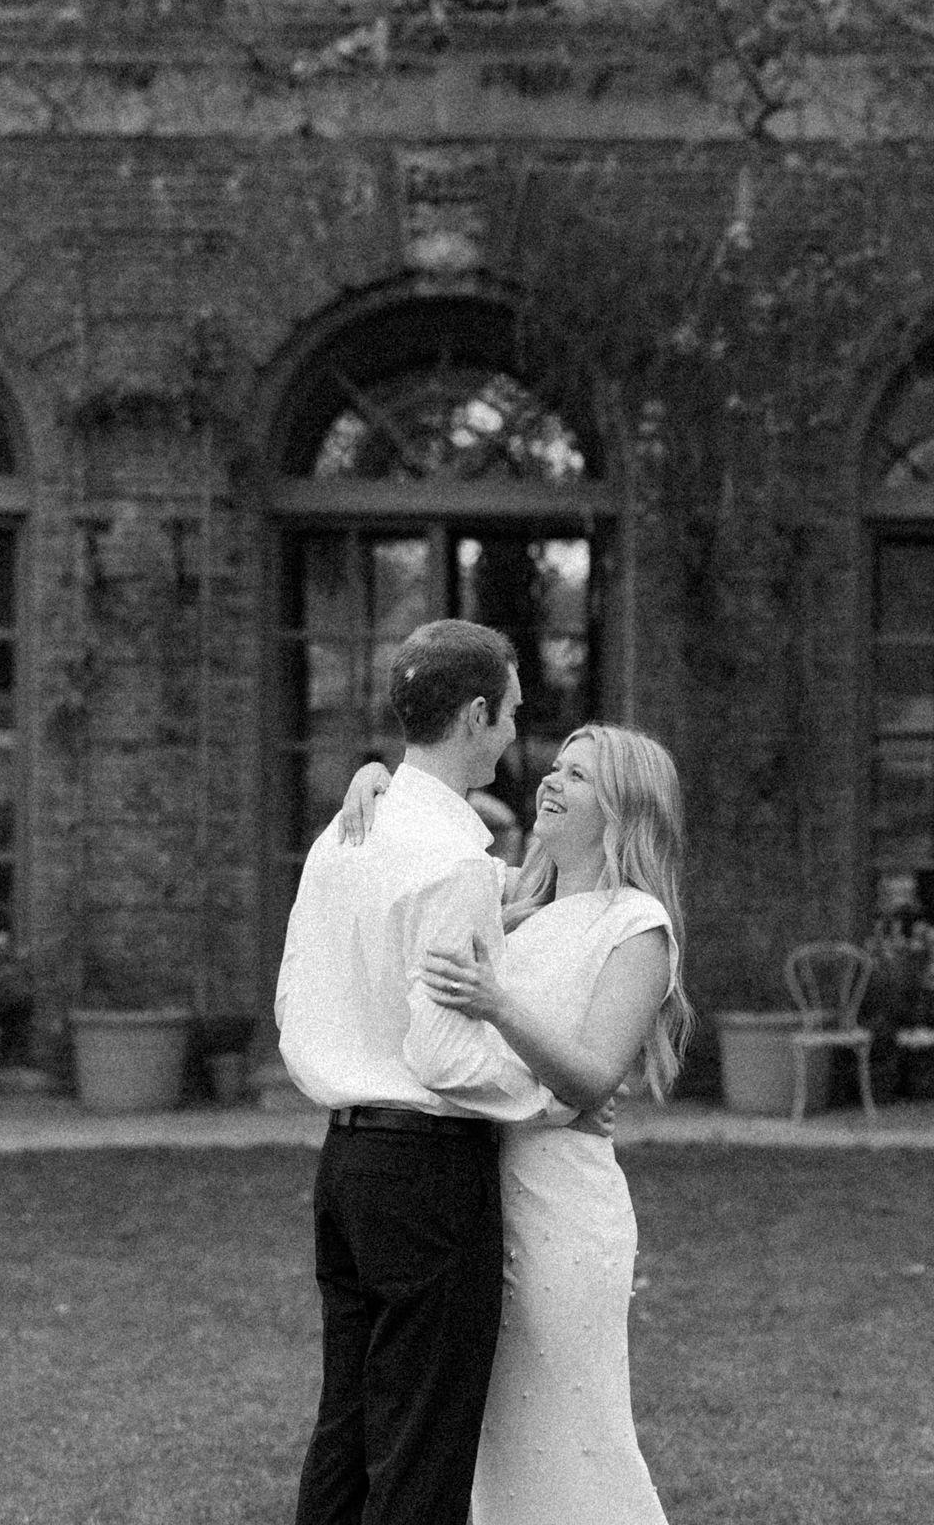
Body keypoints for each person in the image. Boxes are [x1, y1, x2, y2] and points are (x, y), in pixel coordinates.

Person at [339, 721, 693, 1525]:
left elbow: (593, 1077)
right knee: (492, 1440)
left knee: (572, 1428)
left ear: (625, 808)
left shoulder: (635, 926)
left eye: (580, 776)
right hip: (476, 1197)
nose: (552, 782)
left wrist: (499, 1004)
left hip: (562, 1208)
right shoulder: (514, 900)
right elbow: (419, 845)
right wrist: (374, 782)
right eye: (556, 767)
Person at [276, 619, 569, 1525]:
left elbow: (292, 1008)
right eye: (510, 713)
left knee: (349, 1422)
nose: (513, 734)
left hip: (346, 1166)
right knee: (423, 1446)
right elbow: (443, 1055)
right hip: (428, 1173)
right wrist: (547, 1092)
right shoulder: (449, 862)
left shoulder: (342, 838)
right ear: (475, 715)